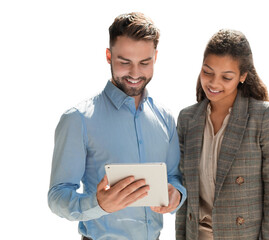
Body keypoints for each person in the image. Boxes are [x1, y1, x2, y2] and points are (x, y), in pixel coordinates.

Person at [48, 12, 186, 240]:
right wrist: (98, 204)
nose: (135, 73)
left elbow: (173, 177)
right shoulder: (78, 119)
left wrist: (176, 195)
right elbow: (57, 196)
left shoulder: (166, 118)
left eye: (145, 62)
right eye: (124, 62)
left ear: (156, 57)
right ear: (108, 56)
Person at [175, 29, 269, 240]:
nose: (214, 83)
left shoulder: (264, 116)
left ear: (243, 76)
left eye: (226, 77)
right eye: (207, 72)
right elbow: (185, 196)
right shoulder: (187, 119)